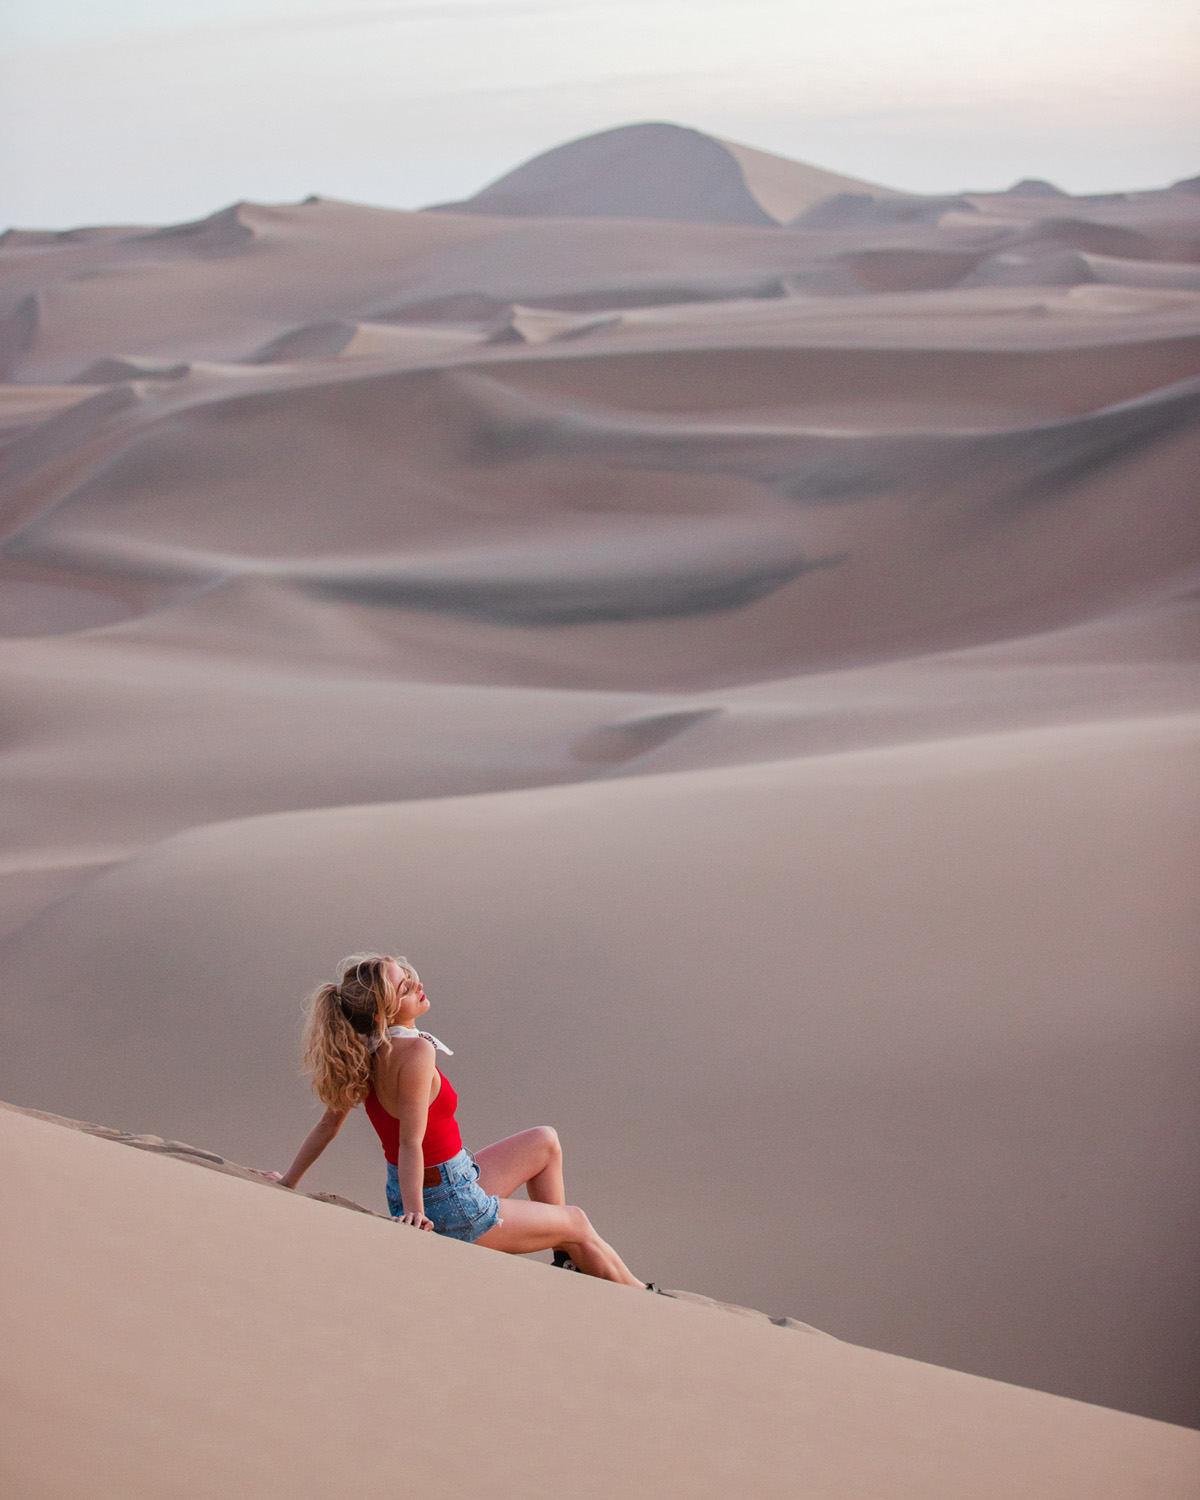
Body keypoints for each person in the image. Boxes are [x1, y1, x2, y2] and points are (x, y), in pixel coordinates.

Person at [263, 953, 648, 1287]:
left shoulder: (364, 1052)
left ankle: (568, 1260)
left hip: (449, 1178)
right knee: (576, 1221)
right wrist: (416, 1214)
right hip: (448, 1204)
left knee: (544, 1142)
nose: (417, 985)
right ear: (382, 1011)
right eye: (404, 987)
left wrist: (289, 1181)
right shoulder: (415, 1053)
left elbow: (328, 1127)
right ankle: (638, 1295)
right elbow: (410, 1141)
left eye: (409, 976)